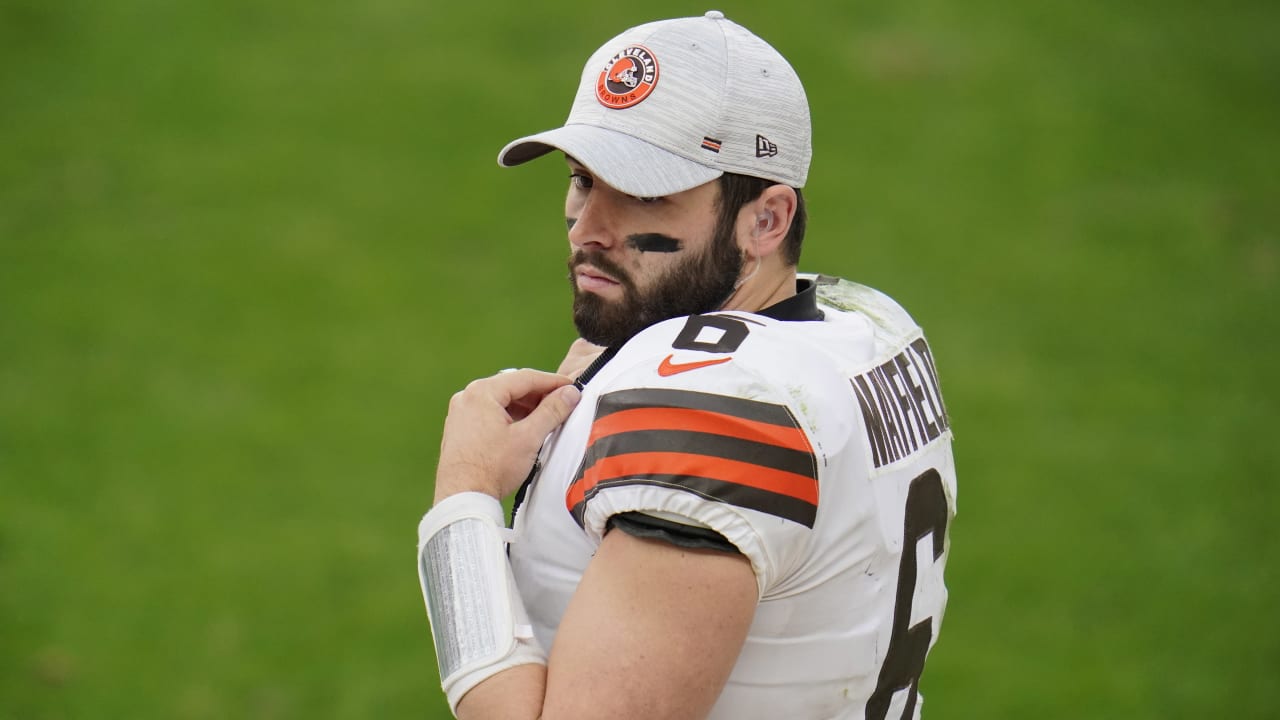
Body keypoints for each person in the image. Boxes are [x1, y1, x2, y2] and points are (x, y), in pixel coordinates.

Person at [416, 11, 958, 720]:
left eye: (645, 194)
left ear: (766, 219)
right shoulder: (866, 325)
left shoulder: (705, 410)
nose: (588, 227)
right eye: (583, 180)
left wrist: (464, 495)